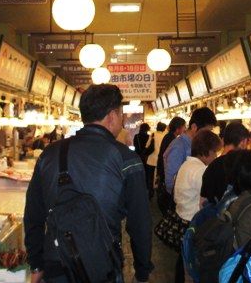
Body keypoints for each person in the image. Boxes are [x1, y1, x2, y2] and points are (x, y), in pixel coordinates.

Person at [24, 84, 153, 283]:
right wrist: (142, 271)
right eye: (121, 114)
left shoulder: (48, 155)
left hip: (56, 264)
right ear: (112, 116)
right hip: (103, 265)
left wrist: (36, 263)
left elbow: (33, 215)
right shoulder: (126, 159)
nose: (123, 120)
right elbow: (140, 222)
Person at [173, 130, 222, 283]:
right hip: (192, 223)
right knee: (192, 265)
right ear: (206, 152)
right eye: (215, 152)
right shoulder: (200, 171)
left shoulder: (186, 165)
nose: (215, 156)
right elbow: (209, 197)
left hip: (182, 218)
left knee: (183, 261)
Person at [164, 107, 217, 195]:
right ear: (194, 127)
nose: (209, 135)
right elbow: (171, 181)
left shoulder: (196, 143)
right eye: (207, 131)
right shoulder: (179, 146)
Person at [201, 121, 249, 205]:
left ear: (223, 140)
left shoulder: (211, 166)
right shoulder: (245, 165)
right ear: (243, 142)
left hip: (215, 216)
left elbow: (202, 202)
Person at [157, 117, 186, 215]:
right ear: (178, 128)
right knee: (168, 199)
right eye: (183, 127)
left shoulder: (169, 137)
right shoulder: (173, 140)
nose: (184, 130)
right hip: (166, 173)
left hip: (163, 171)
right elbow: (166, 158)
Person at [144, 121, 167, 199]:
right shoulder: (165, 136)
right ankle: (159, 194)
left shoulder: (153, 134)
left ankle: (150, 193)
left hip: (151, 160)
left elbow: (147, 145)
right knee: (159, 177)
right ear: (164, 128)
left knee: (150, 178)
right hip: (160, 161)